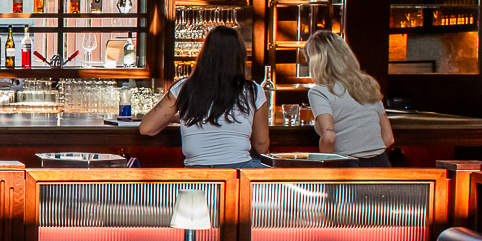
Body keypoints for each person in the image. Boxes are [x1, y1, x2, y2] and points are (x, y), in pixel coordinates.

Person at [138, 25, 270, 168]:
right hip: (239, 173)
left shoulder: (184, 87)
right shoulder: (254, 91)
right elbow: (261, 146)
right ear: (240, 57)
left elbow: (147, 128)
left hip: (197, 175)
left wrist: (174, 116)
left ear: (204, 54)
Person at [302, 28, 396, 166]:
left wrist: (321, 169)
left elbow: (329, 138)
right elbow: (388, 138)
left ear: (316, 62)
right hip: (381, 164)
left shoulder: (319, 92)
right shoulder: (368, 84)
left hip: (348, 166)